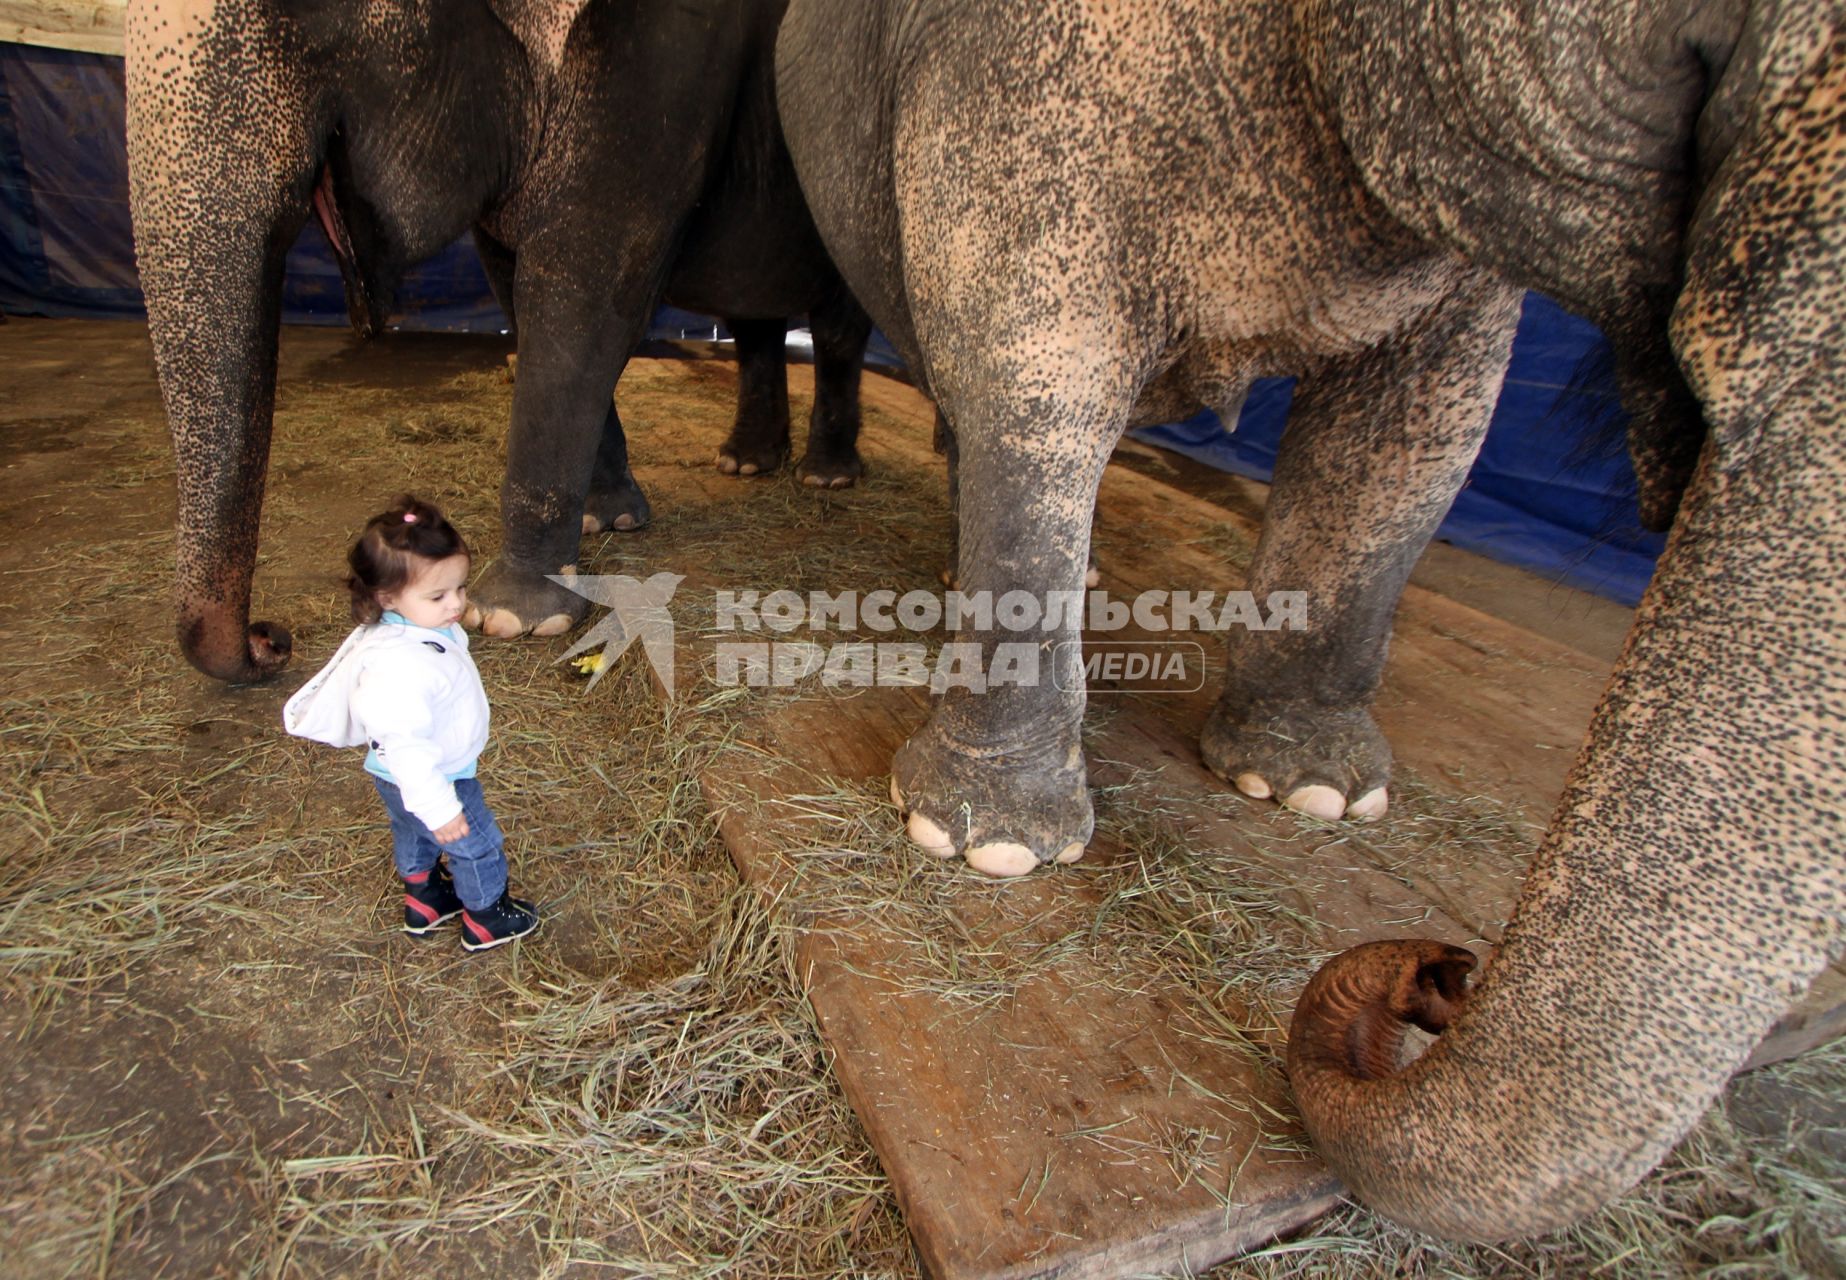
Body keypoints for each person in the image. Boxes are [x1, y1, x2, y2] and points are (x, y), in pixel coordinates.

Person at [284, 496, 539, 951]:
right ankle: (486, 917)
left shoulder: (418, 627)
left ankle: (425, 899)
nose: (457, 603)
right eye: (438, 596)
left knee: (412, 831)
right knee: (476, 846)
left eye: (460, 588)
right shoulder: (397, 667)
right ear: (387, 597)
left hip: (399, 779)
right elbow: (403, 743)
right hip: (434, 777)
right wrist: (441, 807)